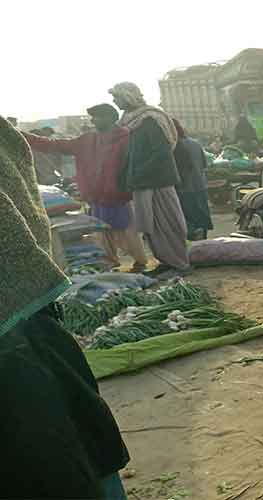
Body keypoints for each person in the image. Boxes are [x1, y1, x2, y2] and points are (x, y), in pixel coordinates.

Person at [0, 115, 131, 498]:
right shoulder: (88, 140)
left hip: (19, 329)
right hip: (26, 316)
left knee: (55, 455)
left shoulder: (121, 139)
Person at [22, 103, 149, 272]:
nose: (94, 120)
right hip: (95, 195)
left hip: (119, 195)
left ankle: (140, 262)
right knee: (102, 234)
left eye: (98, 116)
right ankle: (111, 262)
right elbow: (55, 145)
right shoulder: (87, 139)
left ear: (111, 118)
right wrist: (22, 136)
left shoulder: (126, 138)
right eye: (93, 116)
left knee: (125, 230)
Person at [109, 81, 190, 275]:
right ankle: (166, 261)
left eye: (117, 97)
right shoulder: (130, 121)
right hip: (142, 182)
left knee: (167, 223)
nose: (115, 101)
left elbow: (161, 153)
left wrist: (138, 173)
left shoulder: (150, 118)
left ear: (127, 96)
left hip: (158, 181)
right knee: (151, 227)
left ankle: (179, 264)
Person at [172, 119, 213, 240]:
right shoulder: (195, 143)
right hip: (200, 187)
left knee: (189, 223)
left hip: (184, 189)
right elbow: (204, 165)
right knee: (201, 218)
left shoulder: (172, 146)